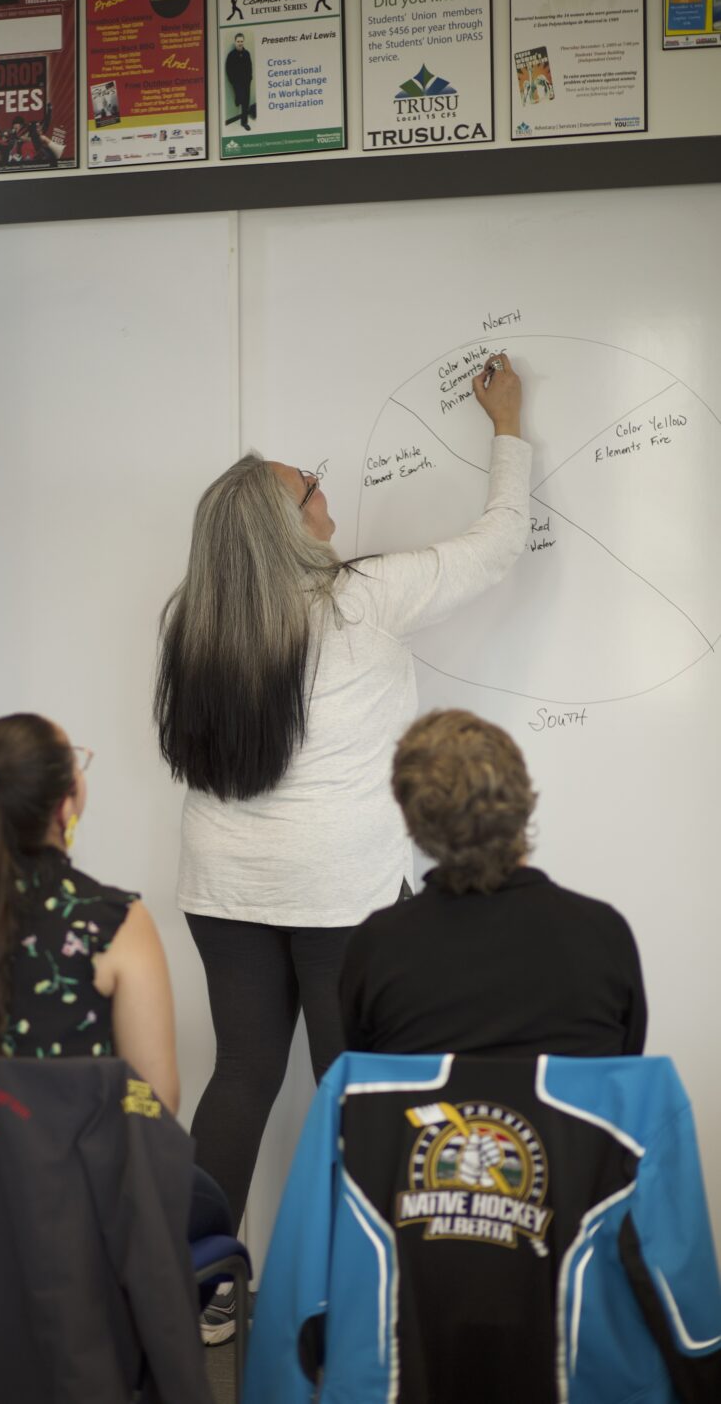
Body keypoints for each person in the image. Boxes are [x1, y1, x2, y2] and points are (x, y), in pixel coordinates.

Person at [155, 354, 530, 1338]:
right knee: (352, 1078)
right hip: (342, 888)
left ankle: (194, 1287)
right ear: (290, 526)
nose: (325, 493)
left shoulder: (199, 624)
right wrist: (508, 427)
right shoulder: (361, 598)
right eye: (308, 487)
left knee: (241, 1073)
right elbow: (496, 547)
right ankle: (367, 1286)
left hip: (225, 881)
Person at [0, 712, 230, 1238]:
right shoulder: (110, 923)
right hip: (75, 1213)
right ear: (66, 803)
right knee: (210, 1203)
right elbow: (157, 1100)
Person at [339, 709, 647, 1056]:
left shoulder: (378, 946)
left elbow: (372, 1085)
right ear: (524, 796)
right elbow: (623, 1078)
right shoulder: (603, 933)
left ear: (412, 818)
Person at [225, 33, 253, 130]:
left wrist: (250, 78)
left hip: (246, 83)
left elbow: (250, 67)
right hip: (237, 83)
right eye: (238, 41)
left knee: (245, 102)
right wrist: (232, 81)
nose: (240, 43)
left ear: (243, 42)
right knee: (239, 98)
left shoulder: (247, 53)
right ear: (235, 42)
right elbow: (228, 69)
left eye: (241, 41)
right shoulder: (231, 55)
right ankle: (238, 99)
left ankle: (244, 123)